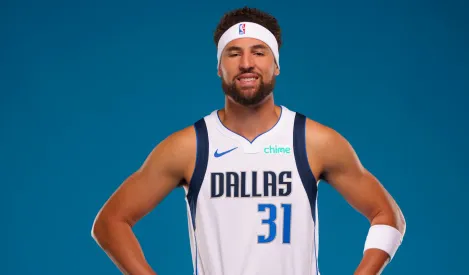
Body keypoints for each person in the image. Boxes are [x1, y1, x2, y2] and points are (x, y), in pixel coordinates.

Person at [91, 6, 406, 275]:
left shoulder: (313, 141)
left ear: (276, 64)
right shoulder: (190, 147)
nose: (246, 63)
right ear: (219, 67)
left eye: (258, 52)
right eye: (234, 53)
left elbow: (387, 215)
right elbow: (110, 223)